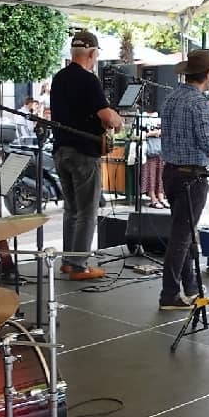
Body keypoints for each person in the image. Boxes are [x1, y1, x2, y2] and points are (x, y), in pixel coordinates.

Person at [157, 49, 209, 311]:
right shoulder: (200, 103)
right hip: (192, 176)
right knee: (181, 237)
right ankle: (169, 294)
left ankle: (191, 286)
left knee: (183, 233)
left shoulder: (171, 98)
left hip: (170, 172)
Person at [50, 31, 124, 281]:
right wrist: (118, 120)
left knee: (71, 209)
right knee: (87, 211)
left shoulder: (58, 78)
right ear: (92, 54)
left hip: (61, 151)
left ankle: (69, 261)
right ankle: (79, 265)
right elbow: (106, 116)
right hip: (83, 152)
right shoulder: (88, 80)